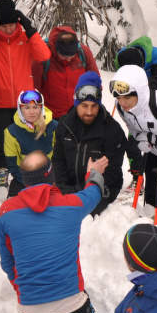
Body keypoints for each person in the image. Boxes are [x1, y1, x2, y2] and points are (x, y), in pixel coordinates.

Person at [0, 151, 109, 313]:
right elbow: (95, 191)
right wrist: (93, 172)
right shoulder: (72, 204)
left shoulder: (6, 212)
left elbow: (8, 263)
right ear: (51, 175)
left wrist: (24, 290)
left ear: (23, 178)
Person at [0, 0, 51, 186]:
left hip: (25, 103)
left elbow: (44, 55)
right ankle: (1, 172)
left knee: (27, 140)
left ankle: (31, 171)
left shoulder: (25, 39)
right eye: (3, 26)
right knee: (1, 142)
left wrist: (30, 29)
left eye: (11, 24)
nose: (8, 29)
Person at [52, 71, 139, 216]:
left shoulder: (112, 130)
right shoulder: (64, 125)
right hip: (68, 190)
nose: (89, 111)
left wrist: (87, 193)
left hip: (100, 192)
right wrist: (67, 192)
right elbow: (58, 161)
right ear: (76, 103)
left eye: (94, 106)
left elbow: (112, 174)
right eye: (84, 106)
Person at [109, 64, 157, 208]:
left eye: (127, 98)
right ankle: (149, 218)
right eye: (118, 98)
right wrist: (141, 139)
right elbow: (133, 128)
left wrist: (156, 140)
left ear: (140, 93)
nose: (122, 103)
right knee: (152, 191)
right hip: (154, 151)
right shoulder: (120, 107)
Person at [32, 25, 100, 117]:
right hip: (51, 117)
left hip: (78, 116)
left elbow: (95, 83)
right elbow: (34, 89)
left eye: (71, 55)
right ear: (56, 49)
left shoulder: (83, 53)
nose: (68, 59)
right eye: (64, 56)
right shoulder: (43, 57)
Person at [3, 89, 59, 196]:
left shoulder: (54, 127)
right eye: (27, 107)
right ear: (20, 109)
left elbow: (59, 157)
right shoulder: (11, 132)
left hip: (50, 178)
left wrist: (51, 179)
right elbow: (13, 164)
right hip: (24, 180)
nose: (32, 112)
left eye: (35, 107)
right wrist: (30, 183)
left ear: (41, 108)